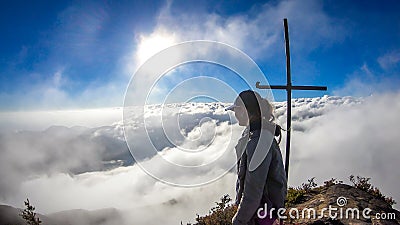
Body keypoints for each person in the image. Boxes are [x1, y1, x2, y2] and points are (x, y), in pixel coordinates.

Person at [226, 90, 287, 225]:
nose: (234, 115)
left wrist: (238, 220)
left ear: (244, 110)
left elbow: (253, 191)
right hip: (263, 213)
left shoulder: (258, 141)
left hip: (262, 216)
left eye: (236, 110)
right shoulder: (254, 133)